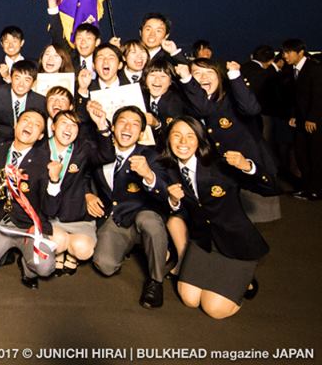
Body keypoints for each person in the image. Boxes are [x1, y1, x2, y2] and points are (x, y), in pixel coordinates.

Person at [161, 116, 275, 318]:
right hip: (203, 241)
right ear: (168, 139)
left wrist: (247, 166)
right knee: (190, 299)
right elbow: (181, 209)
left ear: (200, 140)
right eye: (176, 135)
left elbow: (269, 188)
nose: (183, 142)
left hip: (236, 243)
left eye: (190, 136)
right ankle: (224, 279)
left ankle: (245, 281)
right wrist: (173, 200)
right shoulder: (169, 169)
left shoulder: (219, 165)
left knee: (214, 309)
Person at [177, 58, 281, 221]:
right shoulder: (189, 103)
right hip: (219, 176)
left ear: (219, 76)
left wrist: (235, 76)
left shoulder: (233, 96)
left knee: (256, 223)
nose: (203, 77)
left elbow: (251, 109)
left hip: (249, 170)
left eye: (209, 72)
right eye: (197, 73)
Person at [0, 109, 58, 287]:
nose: (29, 125)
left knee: (45, 267)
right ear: (16, 125)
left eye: (36, 125)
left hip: (28, 228)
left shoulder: (44, 162)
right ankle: (1, 254)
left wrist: (54, 181)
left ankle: (27, 267)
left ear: (40, 136)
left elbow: (50, 209)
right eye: (26, 120)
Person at [88, 106, 170, 308]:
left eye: (135, 125)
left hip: (143, 215)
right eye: (123, 122)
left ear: (141, 133)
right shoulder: (101, 150)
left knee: (149, 222)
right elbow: (83, 174)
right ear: (113, 126)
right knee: (105, 265)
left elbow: (166, 194)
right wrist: (87, 194)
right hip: (116, 218)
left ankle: (156, 280)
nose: (127, 128)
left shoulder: (151, 155)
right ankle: (136, 245)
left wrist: (148, 175)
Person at [44, 105, 115, 276]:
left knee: (83, 250)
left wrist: (101, 125)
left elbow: (107, 156)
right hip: (48, 215)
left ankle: (69, 250)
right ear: (53, 126)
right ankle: (61, 250)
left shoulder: (83, 148)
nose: (68, 128)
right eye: (64, 123)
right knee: (57, 242)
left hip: (76, 214)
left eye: (73, 125)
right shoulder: (40, 148)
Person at [281, 40, 322, 201]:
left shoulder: (314, 69)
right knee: (301, 154)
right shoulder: (292, 70)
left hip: (314, 122)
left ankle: (316, 190)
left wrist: (312, 118)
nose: (285, 56)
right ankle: (306, 187)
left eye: (288, 52)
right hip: (300, 121)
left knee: (315, 155)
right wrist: (294, 116)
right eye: (284, 52)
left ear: (300, 52)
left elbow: (318, 96)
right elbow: (296, 97)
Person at [0, 60, 45, 142]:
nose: (21, 84)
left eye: (27, 80)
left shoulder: (40, 102)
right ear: (11, 78)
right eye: (17, 78)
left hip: (27, 143)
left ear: (33, 83)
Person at [46, 0, 100, 71]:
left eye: (88, 38)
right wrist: (52, 1)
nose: (83, 42)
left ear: (97, 42)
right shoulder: (69, 58)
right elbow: (57, 32)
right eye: (79, 38)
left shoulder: (103, 61)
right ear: (74, 42)